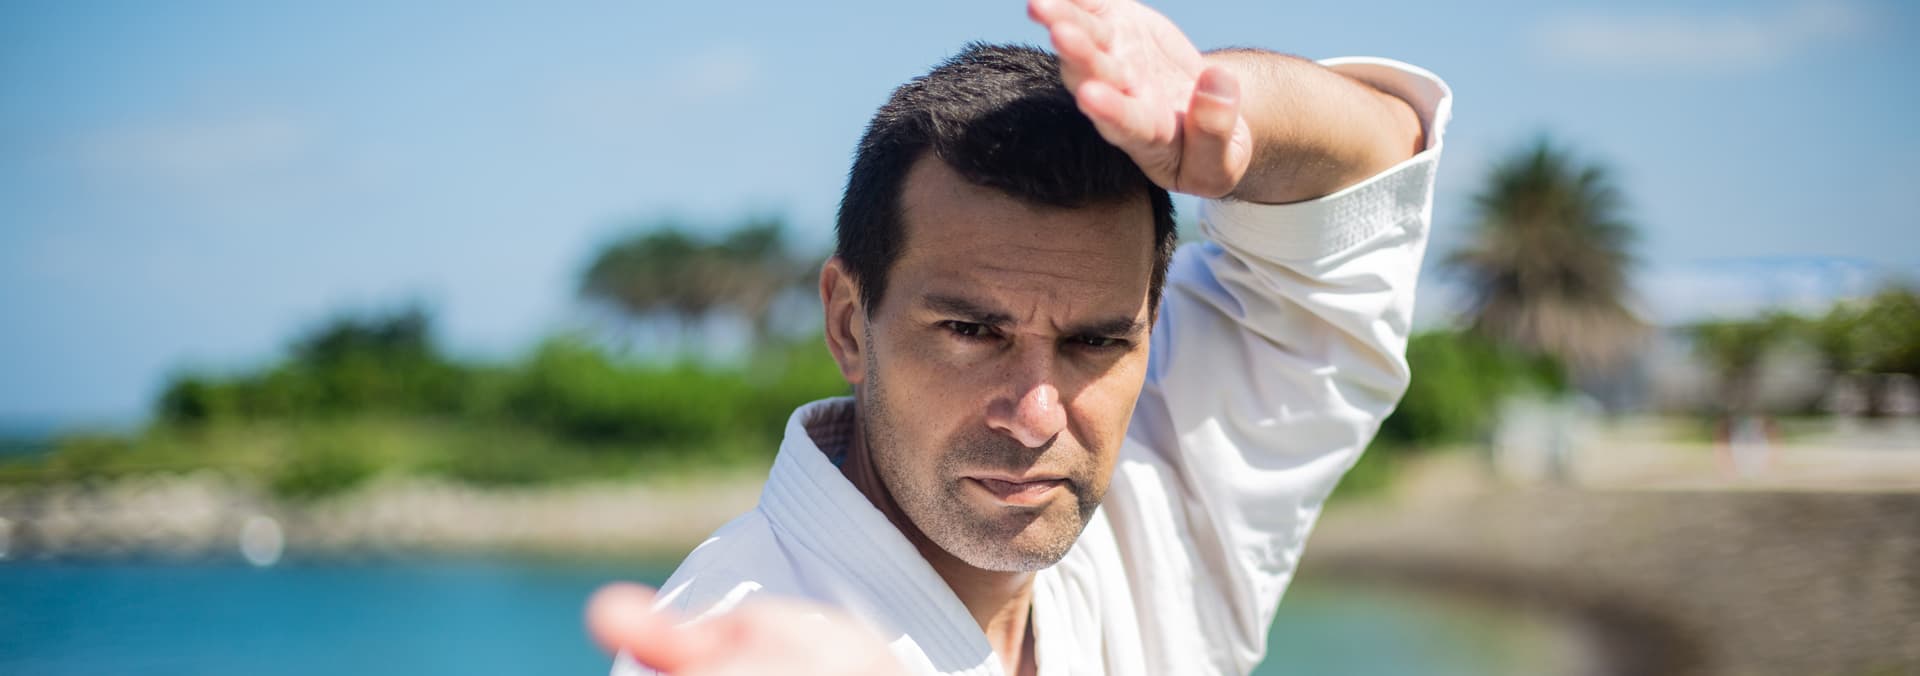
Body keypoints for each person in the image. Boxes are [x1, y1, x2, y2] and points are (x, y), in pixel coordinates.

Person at [591, 0, 1450, 673]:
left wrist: (1231, 107)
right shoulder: (733, 637)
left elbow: (1374, 178)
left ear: (1148, 328)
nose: (1037, 417)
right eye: (972, 331)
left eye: (1096, 344)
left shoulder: (1163, 491)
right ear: (850, 322)